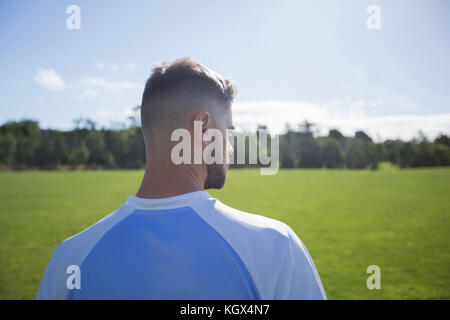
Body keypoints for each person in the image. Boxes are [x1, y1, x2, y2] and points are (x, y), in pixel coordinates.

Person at [36, 57, 326, 300]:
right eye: (229, 131)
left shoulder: (69, 260)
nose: (229, 147)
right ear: (202, 128)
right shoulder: (274, 247)